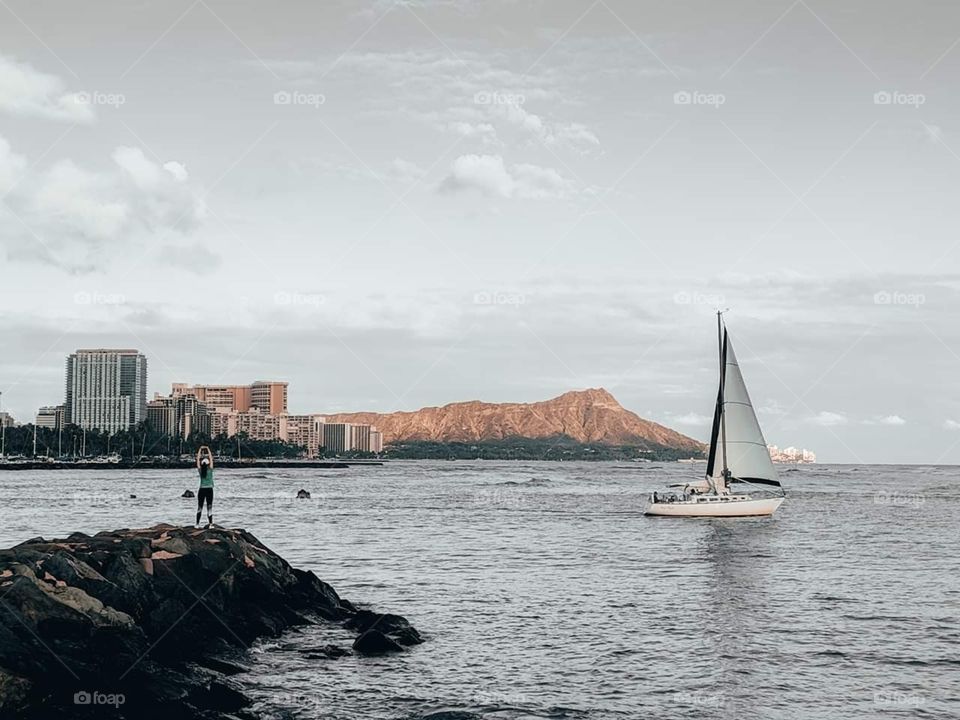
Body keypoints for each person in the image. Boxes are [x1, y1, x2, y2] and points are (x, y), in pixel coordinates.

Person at [195, 446, 215, 528]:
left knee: (200, 507)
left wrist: (199, 450)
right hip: (209, 489)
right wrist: (208, 449)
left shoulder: (200, 471)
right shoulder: (210, 469)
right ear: (208, 463)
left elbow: (197, 460)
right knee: (209, 507)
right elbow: (211, 458)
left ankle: (197, 524)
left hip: (202, 489)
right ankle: (210, 524)